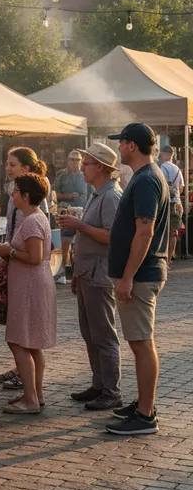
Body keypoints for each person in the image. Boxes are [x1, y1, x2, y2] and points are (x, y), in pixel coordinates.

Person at [105, 123, 169, 436]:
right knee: (139, 341)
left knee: (142, 343)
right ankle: (145, 404)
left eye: (121, 143)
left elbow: (145, 231)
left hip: (140, 275)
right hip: (140, 274)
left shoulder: (146, 180)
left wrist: (127, 276)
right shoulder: (145, 177)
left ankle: (145, 415)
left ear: (131, 145)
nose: (119, 148)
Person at [58, 143, 123, 411]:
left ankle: (111, 391)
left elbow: (112, 237)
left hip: (100, 275)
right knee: (89, 333)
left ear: (101, 167)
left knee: (104, 335)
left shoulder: (111, 197)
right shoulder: (99, 193)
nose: (82, 166)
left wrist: (80, 225)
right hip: (87, 273)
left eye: (86, 163)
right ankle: (99, 384)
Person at [0, 173, 57, 414]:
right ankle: (35, 394)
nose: (13, 194)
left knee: (19, 340)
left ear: (26, 196)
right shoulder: (34, 218)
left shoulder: (32, 220)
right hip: (30, 284)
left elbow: (34, 256)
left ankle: (31, 398)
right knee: (32, 343)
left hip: (31, 286)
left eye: (17, 191)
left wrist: (8, 252)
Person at [54, 151, 89, 284]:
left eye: (77, 160)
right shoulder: (61, 175)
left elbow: (91, 193)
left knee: (80, 246)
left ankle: (78, 273)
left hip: (83, 213)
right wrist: (67, 196)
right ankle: (62, 272)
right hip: (66, 212)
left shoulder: (85, 175)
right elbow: (55, 194)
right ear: (68, 161)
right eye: (72, 160)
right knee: (65, 243)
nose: (74, 162)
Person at [159, 145, 184, 263]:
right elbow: (181, 187)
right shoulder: (177, 169)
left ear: (167, 154)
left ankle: (162, 258)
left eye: (162, 153)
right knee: (174, 232)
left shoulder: (162, 168)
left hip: (166, 203)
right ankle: (169, 260)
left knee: (163, 231)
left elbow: (160, 185)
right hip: (177, 203)